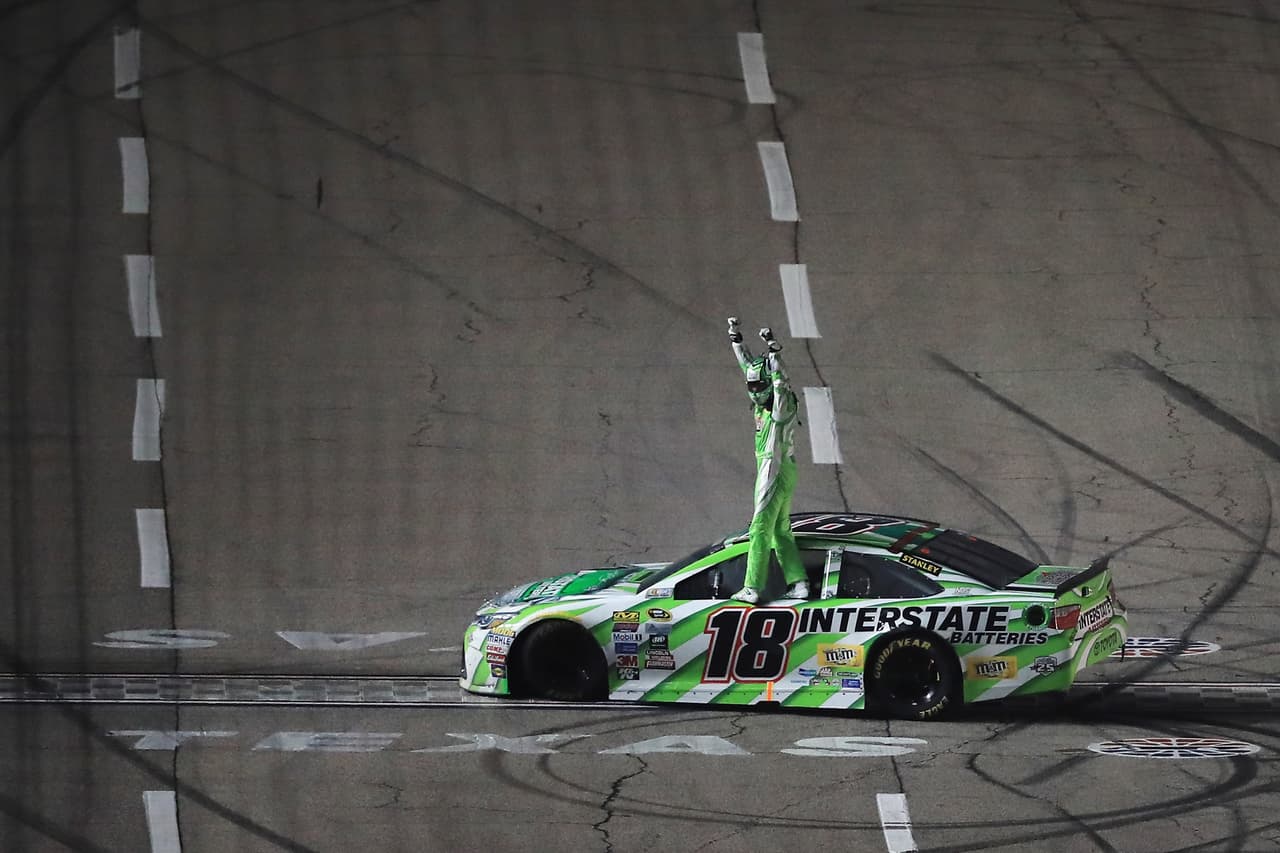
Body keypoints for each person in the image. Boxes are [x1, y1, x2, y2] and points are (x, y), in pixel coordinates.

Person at [727, 317, 808, 604]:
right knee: (780, 529)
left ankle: (752, 587)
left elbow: (779, 380)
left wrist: (775, 355)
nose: (753, 391)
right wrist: (736, 339)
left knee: (759, 528)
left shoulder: (780, 405)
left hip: (772, 468)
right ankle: (799, 583)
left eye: (758, 386)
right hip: (786, 468)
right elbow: (747, 368)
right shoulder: (764, 402)